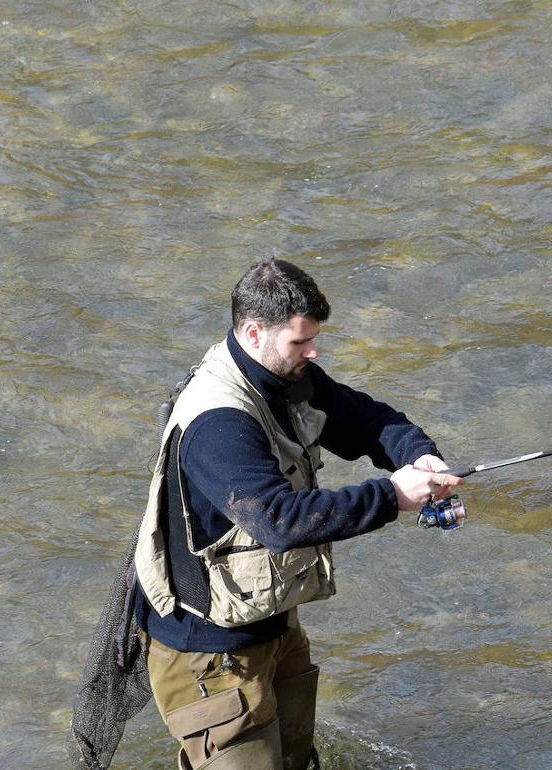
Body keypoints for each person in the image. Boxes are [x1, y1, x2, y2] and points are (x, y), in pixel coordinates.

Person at [131, 259, 461, 770]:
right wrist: (392, 496)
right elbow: (278, 521)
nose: (313, 352)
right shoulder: (218, 423)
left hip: (273, 625)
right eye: (300, 342)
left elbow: (365, 420)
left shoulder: (284, 373)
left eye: (313, 340)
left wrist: (419, 456)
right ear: (254, 332)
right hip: (208, 653)